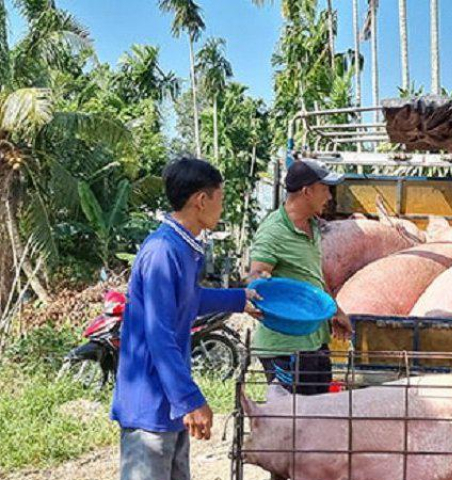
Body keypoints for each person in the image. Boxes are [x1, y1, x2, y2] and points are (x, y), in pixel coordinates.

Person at [111, 157, 259, 480]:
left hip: (168, 402)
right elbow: (159, 334)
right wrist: (190, 399)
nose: (222, 207)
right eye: (220, 198)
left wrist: (240, 299)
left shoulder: (183, 247)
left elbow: (189, 300)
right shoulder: (163, 251)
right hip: (149, 404)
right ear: (201, 200)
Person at [248, 158, 353, 396]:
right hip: (285, 348)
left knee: (317, 420)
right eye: (325, 189)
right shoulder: (274, 230)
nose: (329, 196)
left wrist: (335, 311)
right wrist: (260, 281)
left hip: (314, 342)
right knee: (292, 424)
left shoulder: (313, 227)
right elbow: (256, 276)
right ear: (307, 191)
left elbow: (311, 278)